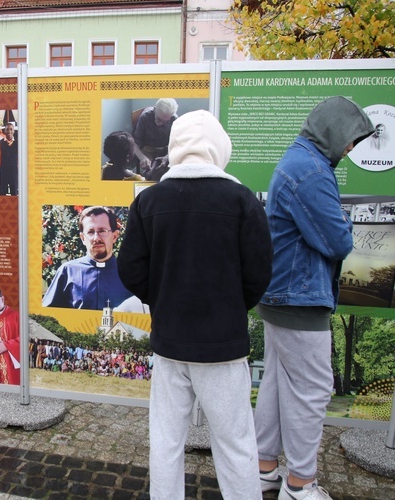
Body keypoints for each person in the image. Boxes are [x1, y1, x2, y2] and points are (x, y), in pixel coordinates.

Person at [117, 110, 273, 500]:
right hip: (223, 345)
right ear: (219, 148)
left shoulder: (149, 201)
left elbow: (131, 270)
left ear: (176, 148)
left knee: (166, 440)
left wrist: (163, 299)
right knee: (236, 442)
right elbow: (259, 272)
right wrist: (232, 306)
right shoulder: (243, 201)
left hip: (170, 343)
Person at [254, 96, 374, 500]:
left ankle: (264, 469)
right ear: (334, 131)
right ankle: (300, 484)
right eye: (351, 139)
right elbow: (337, 242)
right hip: (298, 297)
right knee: (314, 388)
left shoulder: (299, 160)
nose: (351, 148)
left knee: (275, 382)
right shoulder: (310, 170)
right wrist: (344, 218)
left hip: (283, 293)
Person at [42, 206, 133, 310]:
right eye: (90, 232)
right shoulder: (68, 272)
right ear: (82, 238)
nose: (96, 238)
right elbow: (48, 315)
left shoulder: (130, 274)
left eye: (102, 231)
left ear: (115, 236)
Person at [132, 98, 178, 172]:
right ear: (155, 110)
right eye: (159, 119)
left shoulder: (174, 119)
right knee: (148, 170)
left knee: (170, 169)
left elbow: (177, 143)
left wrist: (168, 157)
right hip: (148, 148)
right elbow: (134, 143)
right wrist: (143, 158)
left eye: (165, 121)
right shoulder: (145, 117)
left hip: (166, 149)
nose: (161, 123)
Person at [0, 122, 19, 196]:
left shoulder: (18, 142)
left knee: (14, 191)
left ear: (14, 131)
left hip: (14, 171)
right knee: (2, 191)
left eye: (11, 129)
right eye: (7, 129)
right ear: (5, 131)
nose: (9, 131)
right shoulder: (0, 142)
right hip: (3, 170)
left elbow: (19, 159)